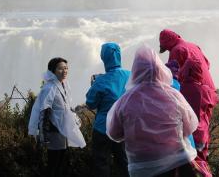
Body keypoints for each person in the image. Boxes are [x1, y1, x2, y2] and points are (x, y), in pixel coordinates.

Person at [106, 46, 198, 177]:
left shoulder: (125, 101)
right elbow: (190, 127)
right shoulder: (173, 95)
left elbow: (114, 134)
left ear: (135, 71)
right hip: (176, 165)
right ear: (160, 69)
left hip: (141, 169)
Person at [28, 57, 86, 177]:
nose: (64, 71)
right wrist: (44, 135)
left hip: (63, 129)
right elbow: (44, 111)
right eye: (60, 68)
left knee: (60, 162)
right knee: (54, 163)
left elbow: (65, 107)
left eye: (66, 68)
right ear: (53, 71)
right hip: (54, 131)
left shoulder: (63, 85)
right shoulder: (50, 88)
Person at [86, 42, 130, 177]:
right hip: (125, 127)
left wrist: (94, 84)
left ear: (104, 58)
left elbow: (90, 104)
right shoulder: (131, 75)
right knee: (125, 162)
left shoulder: (101, 81)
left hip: (103, 128)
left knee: (101, 163)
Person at [179, 59, 219, 177]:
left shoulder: (178, 89)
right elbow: (215, 99)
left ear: (184, 71)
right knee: (201, 165)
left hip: (185, 135)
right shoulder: (205, 91)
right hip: (201, 136)